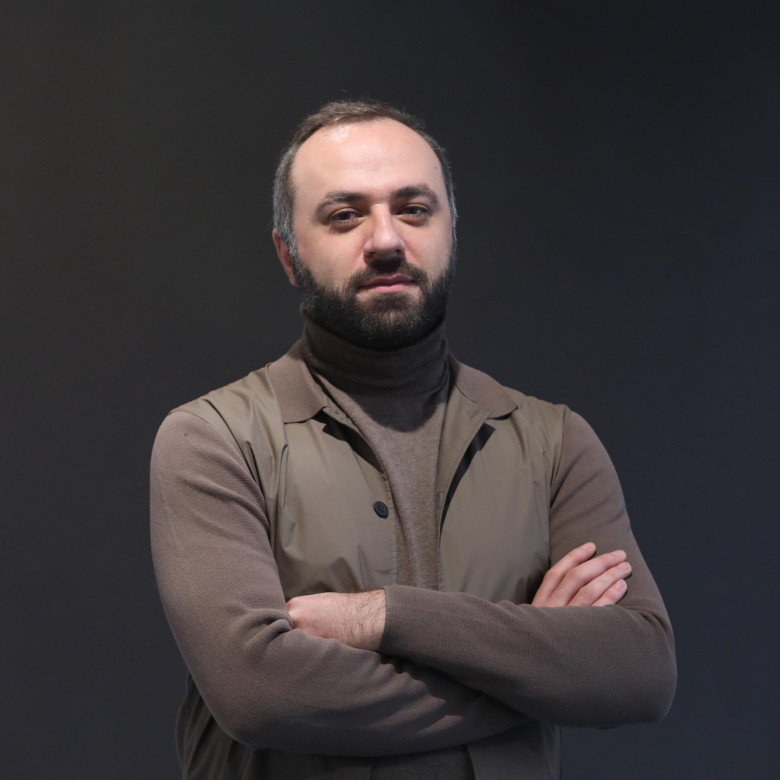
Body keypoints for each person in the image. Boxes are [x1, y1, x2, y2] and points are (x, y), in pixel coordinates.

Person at [150, 100, 676, 780]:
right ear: (288, 254)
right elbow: (261, 694)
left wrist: (384, 616)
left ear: (451, 230)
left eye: (414, 209)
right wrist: (533, 664)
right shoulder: (214, 439)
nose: (386, 240)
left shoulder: (554, 443)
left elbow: (639, 670)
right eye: (345, 215)